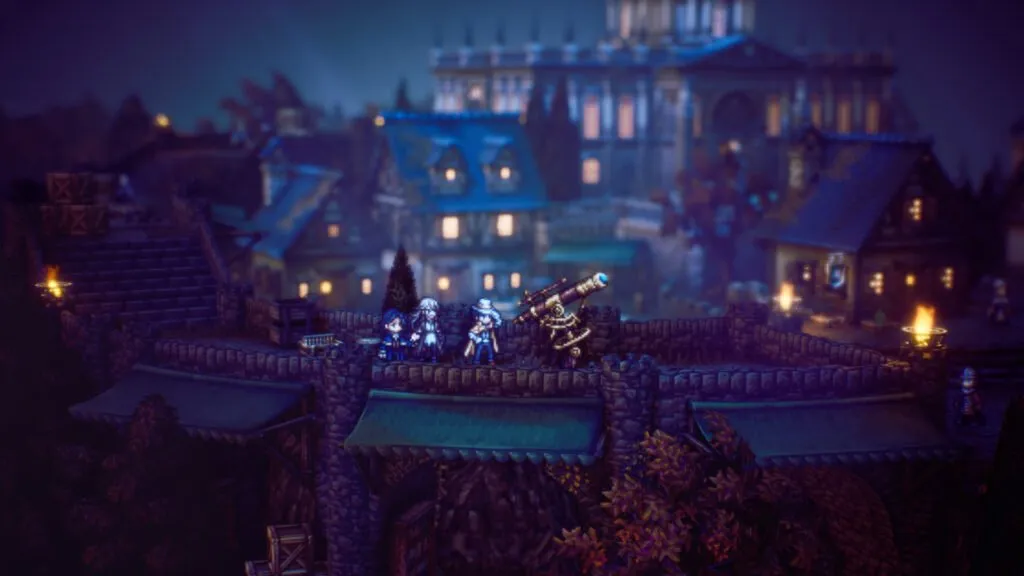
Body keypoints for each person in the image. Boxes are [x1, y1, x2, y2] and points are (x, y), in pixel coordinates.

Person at [463, 298, 503, 365]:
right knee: (478, 351)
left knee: (490, 351)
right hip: (480, 341)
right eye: (483, 316)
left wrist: (492, 325)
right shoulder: (477, 326)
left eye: (488, 317)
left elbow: (498, 322)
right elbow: (471, 333)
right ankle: (476, 361)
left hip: (487, 341)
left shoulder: (490, 325)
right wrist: (476, 339)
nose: (486, 318)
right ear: (477, 317)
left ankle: (491, 360)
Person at [410, 297, 443, 362]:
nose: (432, 313)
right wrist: (415, 335)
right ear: (423, 311)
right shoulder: (423, 323)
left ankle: (434, 357)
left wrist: (439, 334)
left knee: (434, 348)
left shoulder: (435, 323)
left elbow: (438, 330)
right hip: (425, 338)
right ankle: (423, 357)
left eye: (434, 310)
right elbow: (419, 330)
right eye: (429, 310)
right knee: (424, 348)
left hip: (433, 337)